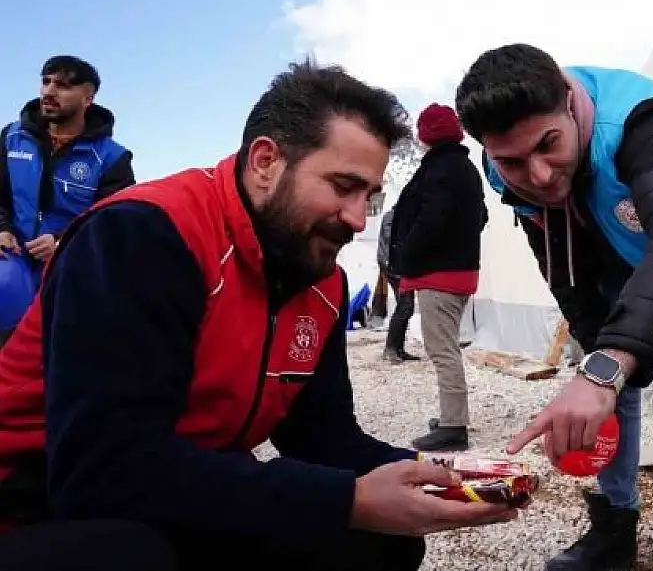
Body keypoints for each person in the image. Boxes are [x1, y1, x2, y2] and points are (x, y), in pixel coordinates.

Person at [0, 60, 518, 571]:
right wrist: (347, 500)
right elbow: (101, 472)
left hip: (165, 486)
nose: (357, 217)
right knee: (128, 554)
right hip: (35, 498)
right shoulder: (145, 236)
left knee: (381, 543)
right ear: (266, 162)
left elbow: (320, 438)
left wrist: (433, 476)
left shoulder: (321, 278)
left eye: (370, 195)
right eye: (342, 186)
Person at [455, 44, 653, 571]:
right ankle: (615, 523)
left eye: (549, 145)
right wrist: (597, 350)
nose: (541, 175)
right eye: (512, 161)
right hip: (631, 265)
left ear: (571, 106)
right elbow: (557, 256)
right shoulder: (504, 170)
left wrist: (604, 370)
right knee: (604, 378)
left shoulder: (643, 121)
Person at [0, 55, 135, 345]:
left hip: (70, 275)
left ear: (88, 97)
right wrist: (3, 228)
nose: (48, 91)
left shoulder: (112, 158)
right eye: (46, 82)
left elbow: (115, 222)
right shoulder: (11, 137)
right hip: (11, 269)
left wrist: (62, 243)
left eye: (62, 86)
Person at [391, 103, 488, 452]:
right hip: (458, 271)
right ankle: (452, 415)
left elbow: (432, 218)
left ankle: (453, 427)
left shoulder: (439, 169)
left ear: (426, 135)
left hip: (439, 274)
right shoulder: (465, 168)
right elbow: (481, 217)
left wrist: (407, 254)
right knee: (445, 346)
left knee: (442, 349)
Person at [375, 207, 418, 362]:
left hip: (395, 266)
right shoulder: (394, 217)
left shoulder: (398, 215)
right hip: (394, 267)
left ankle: (397, 348)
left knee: (405, 306)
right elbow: (394, 243)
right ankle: (391, 348)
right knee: (405, 306)